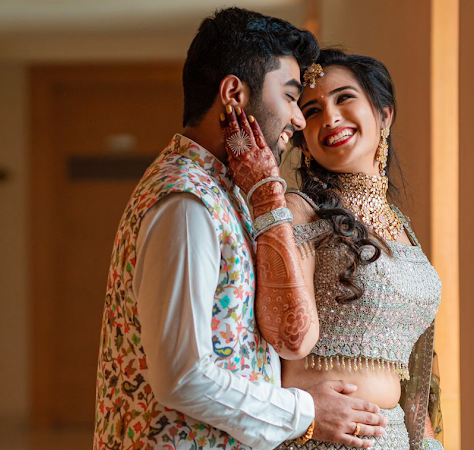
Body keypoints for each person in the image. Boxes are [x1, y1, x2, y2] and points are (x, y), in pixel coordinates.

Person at [93, 10, 387, 450]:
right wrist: (306, 412)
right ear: (234, 94)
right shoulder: (186, 201)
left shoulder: (223, 190)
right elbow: (184, 376)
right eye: (291, 97)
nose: (299, 120)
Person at [263, 49, 445, 450]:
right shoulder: (299, 211)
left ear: (384, 115)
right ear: (303, 140)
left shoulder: (401, 227)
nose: (329, 117)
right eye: (312, 111)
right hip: (324, 438)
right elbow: (287, 339)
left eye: (344, 98)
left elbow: (414, 382)